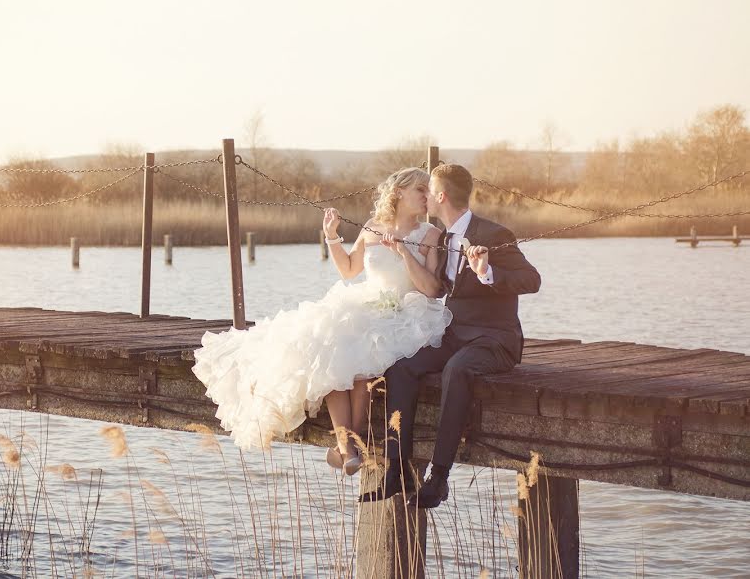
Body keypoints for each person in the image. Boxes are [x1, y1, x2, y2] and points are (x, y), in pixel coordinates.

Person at [192, 167, 452, 475]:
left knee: (362, 364)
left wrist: (405, 252)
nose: (427, 197)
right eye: (420, 190)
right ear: (398, 193)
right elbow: (350, 270)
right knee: (328, 349)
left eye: (428, 191)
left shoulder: (431, 235)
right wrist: (332, 237)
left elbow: (433, 291)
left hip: (408, 312)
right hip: (367, 304)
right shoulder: (371, 227)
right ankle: (348, 447)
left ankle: (349, 447)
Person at [361, 163, 541, 507]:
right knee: (401, 367)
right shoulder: (441, 238)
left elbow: (532, 280)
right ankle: (396, 470)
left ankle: (439, 477)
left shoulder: (494, 234)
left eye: (428, 189)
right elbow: (437, 286)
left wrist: (489, 271)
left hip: (494, 339)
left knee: (456, 370)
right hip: (455, 333)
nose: (424, 195)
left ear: (440, 196)